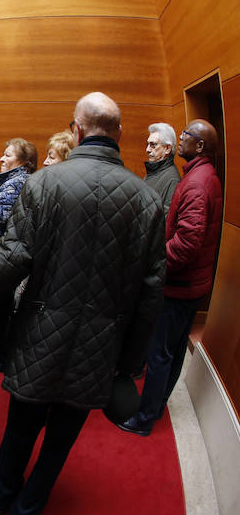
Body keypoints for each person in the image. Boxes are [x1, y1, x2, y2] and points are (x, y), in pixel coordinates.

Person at [0, 92, 165, 515]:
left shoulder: (43, 183)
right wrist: (128, 363)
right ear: (120, 134)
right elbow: (151, 292)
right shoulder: (147, 200)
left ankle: (2, 504)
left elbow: (13, 258)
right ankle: (29, 506)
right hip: (100, 346)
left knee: (20, 433)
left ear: (76, 130)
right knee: (59, 443)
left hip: (39, 335)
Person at [118, 119, 222, 437]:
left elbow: (187, 243)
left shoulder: (195, 183)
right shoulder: (203, 176)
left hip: (179, 285)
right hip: (191, 284)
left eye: (186, 136)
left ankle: (145, 418)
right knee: (174, 350)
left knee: (160, 352)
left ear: (199, 146)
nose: (181, 140)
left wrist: (157, 266)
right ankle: (157, 405)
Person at [0, 138, 37, 236]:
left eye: (7, 155)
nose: (1, 159)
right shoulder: (17, 181)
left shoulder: (16, 184)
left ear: (23, 161)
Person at [143, 122, 181, 209]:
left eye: (153, 145)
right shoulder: (154, 171)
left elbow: (166, 218)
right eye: (148, 144)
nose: (147, 150)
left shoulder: (172, 180)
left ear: (167, 149)